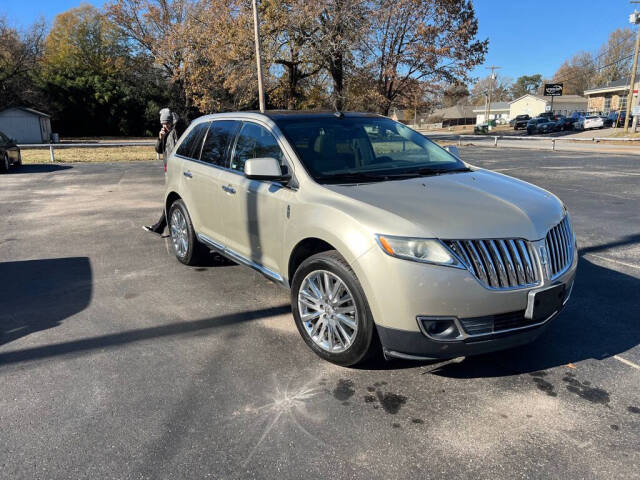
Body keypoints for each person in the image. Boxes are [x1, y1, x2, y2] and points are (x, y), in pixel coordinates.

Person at [143, 108, 184, 235]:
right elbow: (159, 150)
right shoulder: (166, 133)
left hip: (176, 170)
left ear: (171, 122)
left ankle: (161, 226)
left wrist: (173, 126)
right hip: (169, 170)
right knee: (171, 199)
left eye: (166, 123)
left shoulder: (176, 133)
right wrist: (160, 138)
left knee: (172, 199)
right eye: (162, 124)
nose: (164, 126)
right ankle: (162, 226)